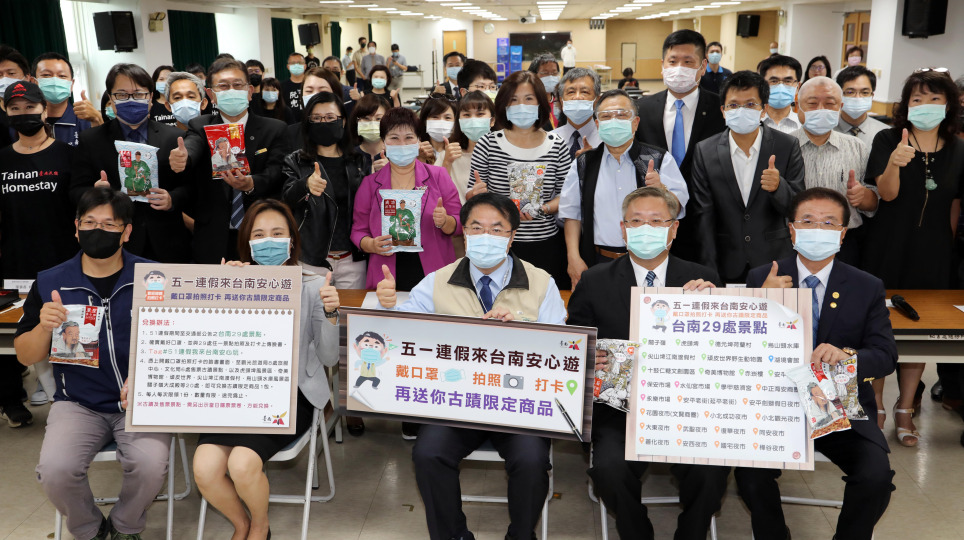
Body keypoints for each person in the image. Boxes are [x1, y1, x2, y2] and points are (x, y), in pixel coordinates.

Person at [374, 192, 564, 540]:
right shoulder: (437, 281)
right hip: (456, 402)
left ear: (512, 237)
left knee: (532, 460)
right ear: (463, 232)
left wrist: (521, 331)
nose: (486, 236)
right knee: (428, 453)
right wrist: (385, 307)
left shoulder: (541, 283)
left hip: (518, 404)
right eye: (477, 228)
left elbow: (560, 353)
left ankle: (521, 535)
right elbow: (399, 339)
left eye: (497, 229)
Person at [734, 187, 897, 540]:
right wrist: (764, 301)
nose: (817, 230)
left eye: (828, 223)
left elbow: (885, 355)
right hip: (774, 406)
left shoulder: (866, 286)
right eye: (807, 221)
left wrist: (849, 356)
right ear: (791, 229)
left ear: (843, 233)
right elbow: (740, 351)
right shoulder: (762, 277)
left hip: (839, 407)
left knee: (875, 476)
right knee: (750, 475)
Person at [568, 186, 726, 540]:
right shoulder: (594, 280)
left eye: (657, 221)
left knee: (712, 472)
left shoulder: (703, 279)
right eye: (636, 221)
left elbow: (724, 351)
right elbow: (574, 344)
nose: (646, 229)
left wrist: (712, 306)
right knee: (609, 469)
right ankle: (636, 531)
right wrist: (591, 357)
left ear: (674, 229)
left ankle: (692, 533)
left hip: (689, 408)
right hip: (619, 410)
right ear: (623, 230)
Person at [16, 187, 172, 540]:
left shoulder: (155, 277)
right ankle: (89, 529)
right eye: (89, 222)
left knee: (150, 465)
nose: (97, 230)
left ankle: (125, 525)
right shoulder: (52, 281)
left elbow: (183, 339)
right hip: (78, 404)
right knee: (55, 470)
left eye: (108, 224)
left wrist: (148, 381)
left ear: (126, 232)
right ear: (76, 228)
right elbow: (25, 355)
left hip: (141, 400)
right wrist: (44, 326)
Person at [191, 199, 341, 540]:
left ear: (291, 239)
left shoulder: (314, 284)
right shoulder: (231, 281)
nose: (268, 241)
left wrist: (332, 313)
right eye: (259, 235)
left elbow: (330, 358)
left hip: (289, 396)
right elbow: (208, 347)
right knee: (205, 468)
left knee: (242, 464)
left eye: (277, 233)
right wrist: (218, 293)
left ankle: (260, 526)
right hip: (234, 394)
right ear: (247, 241)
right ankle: (241, 524)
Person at [862, 68, 964, 447]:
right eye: (917, 99)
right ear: (905, 105)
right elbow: (886, 194)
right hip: (887, 245)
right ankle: (876, 404)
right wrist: (895, 162)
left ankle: (905, 407)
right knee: (879, 327)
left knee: (919, 329)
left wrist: (946, 251)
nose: (925, 105)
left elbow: (954, 207)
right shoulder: (887, 138)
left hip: (933, 251)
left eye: (935, 98)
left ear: (948, 105)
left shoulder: (958, 148)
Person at [0, 80, 77, 416]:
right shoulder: (2, 159)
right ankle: (32, 403)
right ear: (6, 113)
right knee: (24, 337)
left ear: (44, 110)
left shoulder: (69, 156)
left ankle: (75, 404)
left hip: (63, 263)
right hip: (15, 268)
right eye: (14, 109)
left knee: (69, 333)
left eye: (30, 107)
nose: (23, 114)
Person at [561, 88, 689, 286]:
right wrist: (573, 257)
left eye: (621, 115)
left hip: (650, 259)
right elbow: (572, 213)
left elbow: (679, 208)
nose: (614, 121)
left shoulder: (658, 159)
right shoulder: (584, 163)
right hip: (598, 260)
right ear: (597, 124)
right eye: (606, 116)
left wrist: (662, 189)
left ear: (635, 122)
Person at [690, 70, 806, 284]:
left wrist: (778, 187)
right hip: (725, 262)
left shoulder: (787, 146)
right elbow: (703, 215)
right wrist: (708, 270)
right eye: (733, 105)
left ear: (764, 110)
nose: (741, 110)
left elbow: (798, 209)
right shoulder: (705, 151)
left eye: (750, 104)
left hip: (775, 261)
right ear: (723, 110)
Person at [70, 63, 193, 263]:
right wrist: (96, 192)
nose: (131, 100)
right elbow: (75, 190)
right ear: (111, 99)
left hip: (168, 241)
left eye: (138, 94)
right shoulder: (91, 140)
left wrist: (172, 199)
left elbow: (190, 187)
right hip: (115, 242)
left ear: (150, 97)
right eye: (122, 95)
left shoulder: (174, 137)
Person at [467, 70, 573, 290]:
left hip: (545, 244)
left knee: (541, 299)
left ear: (540, 103)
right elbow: (472, 194)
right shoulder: (487, 144)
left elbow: (567, 196)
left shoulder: (557, 145)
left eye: (528, 99)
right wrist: (475, 195)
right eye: (513, 100)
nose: (521, 106)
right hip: (498, 243)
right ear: (504, 104)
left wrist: (543, 208)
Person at [183, 57, 288, 263]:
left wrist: (251, 184)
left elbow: (277, 172)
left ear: (249, 91)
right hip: (213, 237)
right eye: (223, 86)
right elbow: (192, 148)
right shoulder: (200, 127)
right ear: (211, 94)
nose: (231, 90)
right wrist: (183, 157)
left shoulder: (274, 129)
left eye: (238, 85)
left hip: (260, 237)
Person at [633, 29, 726, 261]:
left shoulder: (721, 110)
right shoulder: (643, 109)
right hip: (655, 223)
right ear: (662, 65)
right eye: (673, 61)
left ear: (703, 66)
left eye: (688, 62)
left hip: (709, 220)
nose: (679, 68)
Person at [351, 106, 462, 291]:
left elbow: (459, 223)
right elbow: (358, 230)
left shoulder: (438, 176)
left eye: (409, 137)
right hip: (386, 273)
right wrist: (371, 244)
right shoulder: (370, 184)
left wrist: (445, 221)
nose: (402, 144)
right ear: (383, 143)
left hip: (434, 271)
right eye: (394, 138)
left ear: (418, 141)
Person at [282, 91, 368, 286]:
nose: (323, 123)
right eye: (316, 118)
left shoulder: (358, 161)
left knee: (352, 307)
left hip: (352, 260)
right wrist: (305, 185)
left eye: (330, 117)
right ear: (308, 122)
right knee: (311, 307)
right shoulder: (295, 160)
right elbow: (286, 199)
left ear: (343, 121)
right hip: (311, 260)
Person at [791, 76, 876, 266]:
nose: (821, 109)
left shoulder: (857, 147)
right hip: (795, 241)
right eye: (812, 103)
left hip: (845, 242)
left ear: (840, 107)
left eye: (830, 104)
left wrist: (863, 197)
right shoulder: (783, 146)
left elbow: (873, 203)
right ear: (797, 106)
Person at [32, 52, 102, 146]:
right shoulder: (26, 121)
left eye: (62, 76)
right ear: (33, 82)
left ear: (71, 84)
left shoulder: (86, 121)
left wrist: (98, 121)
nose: (55, 81)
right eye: (47, 75)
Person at [450, 90, 495, 204]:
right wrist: (447, 161)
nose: (473, 120)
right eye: (467, 115)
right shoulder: (449, 155)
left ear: (492, 120)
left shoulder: (500, 153)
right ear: (459, 121)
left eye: (480, 114)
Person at [552, 67, 603, 160]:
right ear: (561, 101)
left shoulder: (606, 141)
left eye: (584, 92)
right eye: (571, 92)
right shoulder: (550, 140)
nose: (577, 97)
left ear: (597, 101)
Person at [834, 65, 888, 148]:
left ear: (872, 96)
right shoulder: (827, 131)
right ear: (839, 95)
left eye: (865, 93)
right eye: (850, 92)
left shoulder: (884, 133)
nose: (857, 97)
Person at [758, 55, 803, 134]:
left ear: (798, 87)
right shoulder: (751, 123)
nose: (781, 87)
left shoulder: (804, 125)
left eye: (788, 81)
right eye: (774, 81)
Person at [348, 93, 389, 175]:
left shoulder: (396, 156)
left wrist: (392, 171)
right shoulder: (349, 156)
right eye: (366, 118)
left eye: (378, 118)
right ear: (357, 121)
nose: (373, 123)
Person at [416, 95, 458, 168]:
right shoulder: (416, 148)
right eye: (435, 117)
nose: (441, 122)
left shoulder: (459, 150)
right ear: (425, 120)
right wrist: (421, 158)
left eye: (447, 117)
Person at [528, 54, 562, 129]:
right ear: (533, 75)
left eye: (554, 73)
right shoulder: (529, 103)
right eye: (545, 73)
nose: (550, 77)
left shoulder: (560, 101)